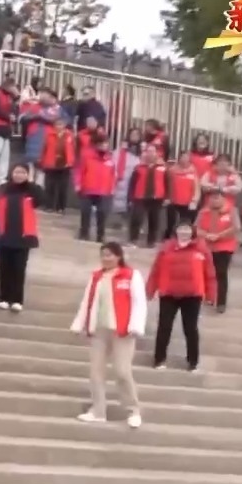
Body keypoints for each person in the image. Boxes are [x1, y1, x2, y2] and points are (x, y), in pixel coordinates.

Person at [69, 241, 145, 429]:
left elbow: (139, 302)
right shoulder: (96, 277)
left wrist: (135, 325)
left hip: (122, 331)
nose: (106, 258)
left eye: (110, 255)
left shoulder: (130, 275)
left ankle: (133, 410)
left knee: (122, 372)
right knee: (96, 372)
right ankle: (98, 410)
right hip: (99, 330)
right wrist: (79, 324)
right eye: (103, 255)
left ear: (118, 256)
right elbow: (87, 301)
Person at [146, 222, 216, 372]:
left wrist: (211, 294)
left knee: (190, 328)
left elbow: (209, 273)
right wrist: (150, 290)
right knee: (164, 326)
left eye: (187, 229)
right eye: (181, 229)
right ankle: (159, 359)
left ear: (192, 232)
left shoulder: (201, 249)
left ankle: (193, 362)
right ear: (175, 231)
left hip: (192, 294)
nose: (184, 232)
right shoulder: (166, 248)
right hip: (169, 293)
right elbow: (156, 270)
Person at [0, 163, 45, 311]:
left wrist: (32, 184)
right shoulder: (3, 189)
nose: (19, 175)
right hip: (4, 235)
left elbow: (41, 199)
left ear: (27, 175)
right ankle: (4, 298)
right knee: (4, 268)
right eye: (17, 172)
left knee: (19, 269)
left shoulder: (32, 190)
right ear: (11, 173)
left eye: (23, 172)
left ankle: (17, 300)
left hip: (23, 237)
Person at [196, 191, 239, 312]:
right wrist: (206, 235)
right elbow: (196, 228)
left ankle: (221, 303)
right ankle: (208, 297)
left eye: (217, 198)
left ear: (223, 199)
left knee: (221, 274)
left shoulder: (231, 210)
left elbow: (236, 227)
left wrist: (219, 236)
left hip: (225, 247)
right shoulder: (203, 212)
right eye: (212, 198)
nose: (214, 200)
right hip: (207, 246)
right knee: (206, 273)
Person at [126, 145, 168, 247]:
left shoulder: (163, 168)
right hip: (140, 196)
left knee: (154, 220)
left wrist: (167, 197)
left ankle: (151, 242)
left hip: (156, 197)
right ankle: (133, 240)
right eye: (148, 151)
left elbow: (167, 183)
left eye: (152, 151)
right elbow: (132, 183)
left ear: (157, 153)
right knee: (136, 218)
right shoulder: (138, 167)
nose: (150, 154)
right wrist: (130, 197)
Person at [75, 138, 116, 242]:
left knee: (102, 213)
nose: (103, 146)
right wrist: (78, 184)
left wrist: (112, 188)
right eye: (101, 144)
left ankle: (100, 235)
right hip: (88, 188)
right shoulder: (87, 157)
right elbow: (80, 171)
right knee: (85, 212)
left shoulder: (110, 160)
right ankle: (84, 233)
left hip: (104, 191)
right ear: (96, 145)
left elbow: (113, 175)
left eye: (105, 144)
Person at [39, 116, 75, 212]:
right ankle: (49, 206)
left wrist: (71, 161)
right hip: (51, 164)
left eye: (61, 124)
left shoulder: (70, 135)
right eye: (57, 124)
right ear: (54, 125)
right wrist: (42, 161)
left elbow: (73, 149)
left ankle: (61, 207)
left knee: (63, 187)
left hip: (65, 164)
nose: (59, 126)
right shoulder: (48, 135)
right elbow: (44, 149)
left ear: (64, 125)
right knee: (49, 186)